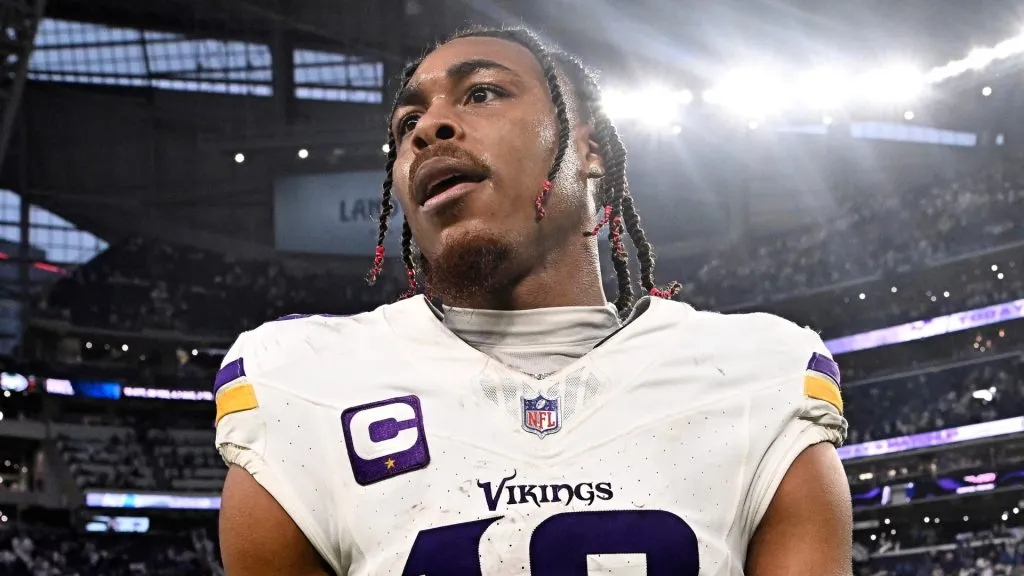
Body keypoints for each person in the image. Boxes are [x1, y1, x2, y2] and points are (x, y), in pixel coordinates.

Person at [215, 26, 852, 576]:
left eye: (483, 93)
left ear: (589, 149)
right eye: (407, 123)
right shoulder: (303, 383)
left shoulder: (755, 374)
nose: (428, 128)